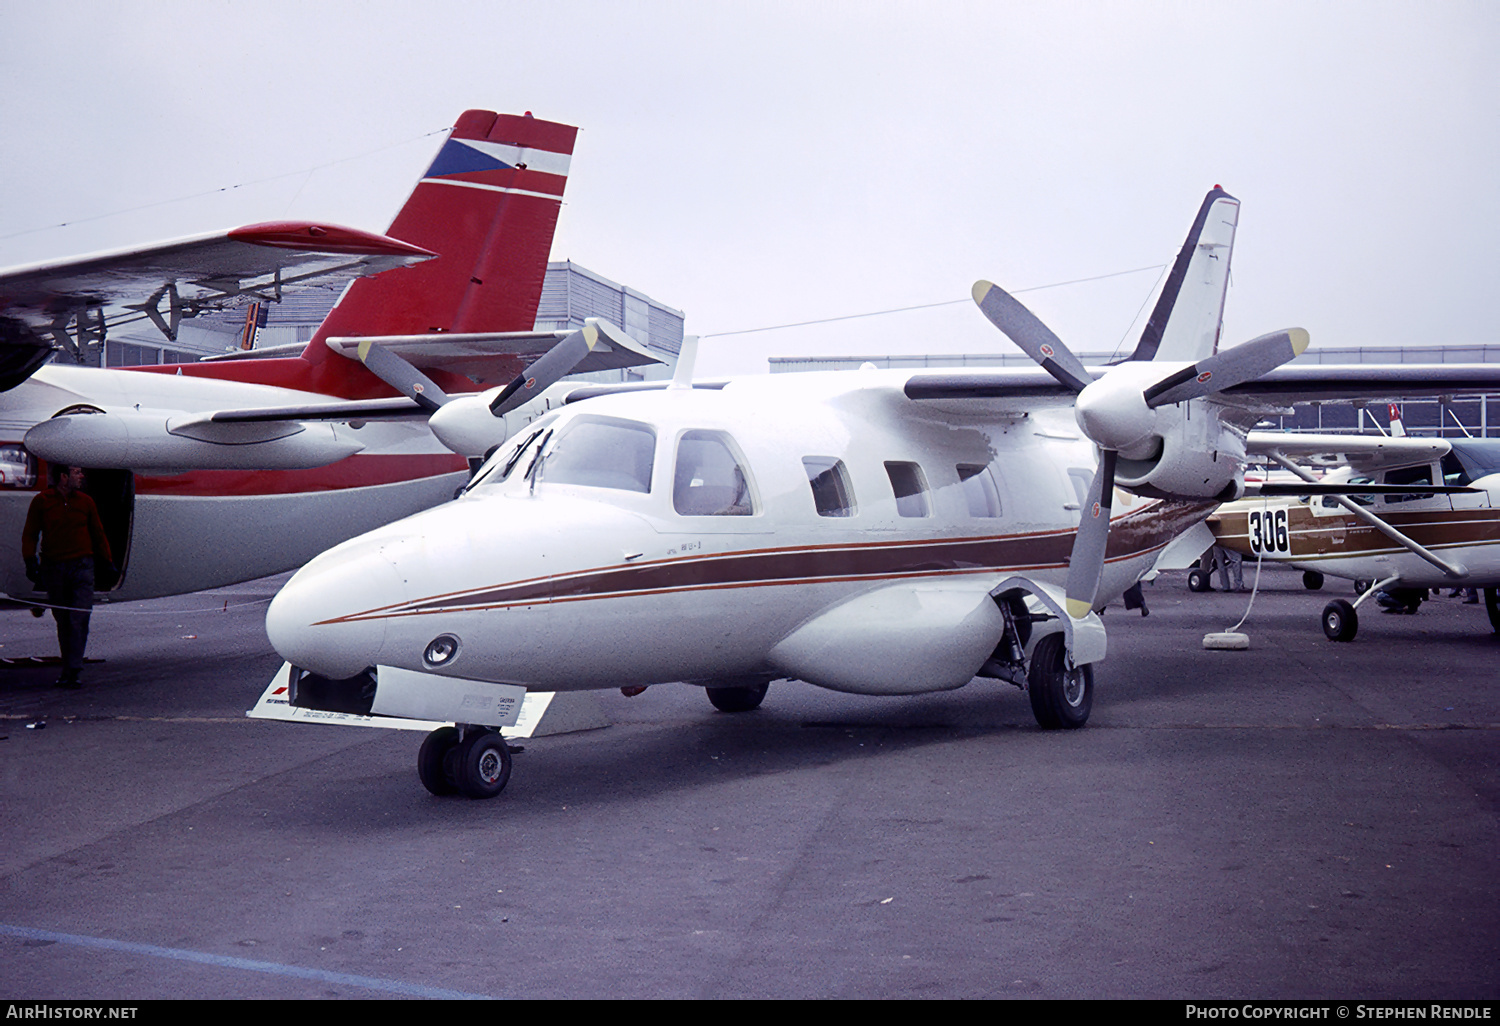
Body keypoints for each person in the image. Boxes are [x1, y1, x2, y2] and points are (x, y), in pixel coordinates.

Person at [21, 464, 112, 687]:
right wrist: (30, 560)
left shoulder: (85, 502)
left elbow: (97, 533)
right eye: (76, 472)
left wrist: (107, 562)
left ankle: (73, 669)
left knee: (79, 617)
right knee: (63, 619)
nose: (81, 476)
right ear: (63, 477)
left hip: (82, 566)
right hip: (54, 567)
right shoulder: (42, 502)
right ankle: (69, 667)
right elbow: (31, 533)